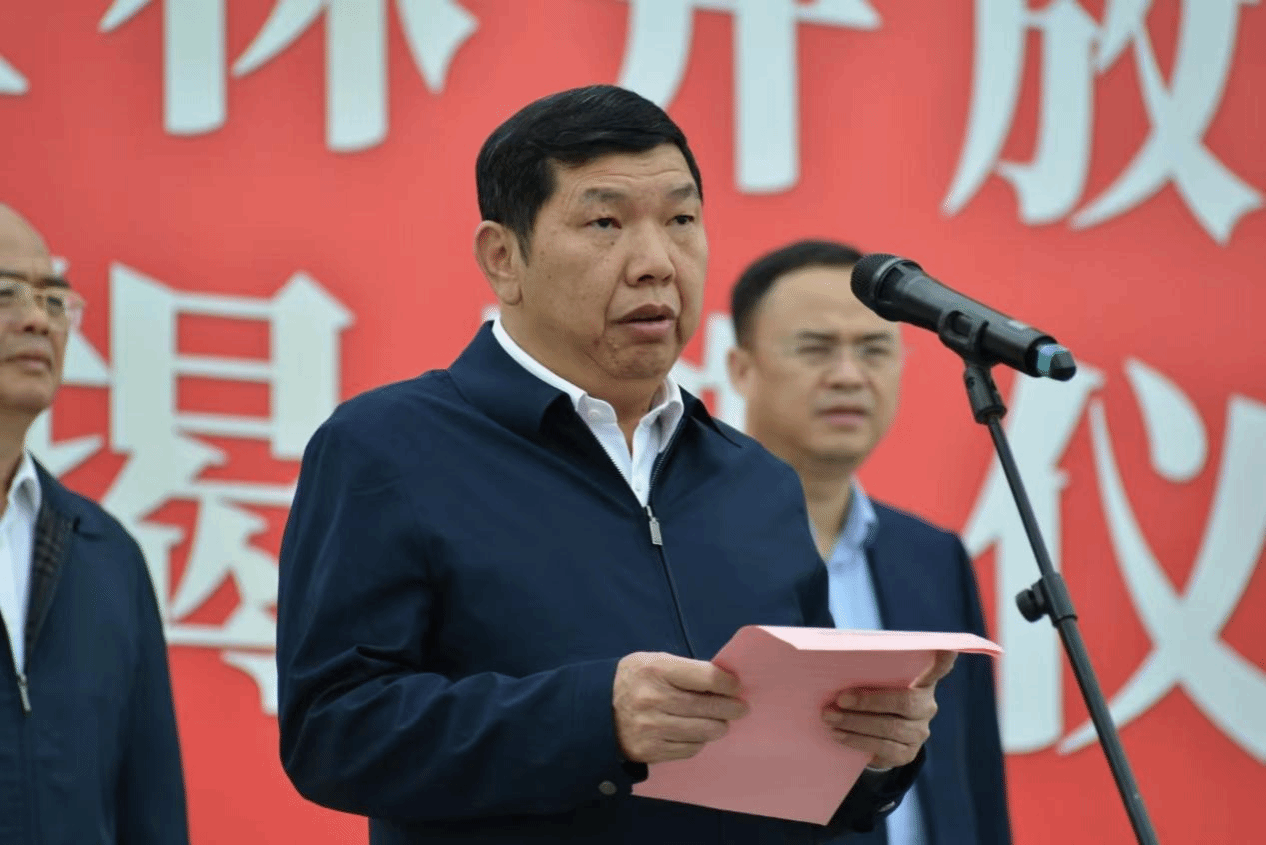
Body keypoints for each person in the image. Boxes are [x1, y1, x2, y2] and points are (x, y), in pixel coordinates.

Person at [276, 85, 957, 845]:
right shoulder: (388, 446)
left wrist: (873, 758)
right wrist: (594, 718)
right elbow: (333, 732)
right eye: (605, 223)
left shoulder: (756, 480)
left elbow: (804, 782)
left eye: (682, 221)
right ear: (503, 258)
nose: (656, 263)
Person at [726, 239, 1012, 845]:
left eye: (875, 349)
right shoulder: (684, 548)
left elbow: (975, 777)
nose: (849, 376)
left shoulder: (932, 557)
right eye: (815, 348)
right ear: (741, 369)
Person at [0, 204, 190, 844]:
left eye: (53, 300)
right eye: (5, 293)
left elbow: (151, 809)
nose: (36, 319)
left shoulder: (104, 554)